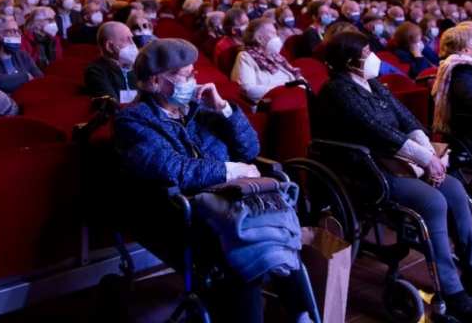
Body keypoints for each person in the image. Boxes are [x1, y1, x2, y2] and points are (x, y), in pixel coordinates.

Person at [318, 31, 472, 322]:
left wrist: (430, 155)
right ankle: (452, 292)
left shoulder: (372, 82)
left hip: (398, 161)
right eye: (365, 51)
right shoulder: (337, 90)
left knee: (455, 190)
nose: (371, 55)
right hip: (364, 169)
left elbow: (407, 119)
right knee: (433, 202)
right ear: (350, 62)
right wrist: (426, 159)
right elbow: (377, 129)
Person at [114, 38, 312, 323]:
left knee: (279, 231)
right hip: (180, 211)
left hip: (229, 202)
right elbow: (173, 169)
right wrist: (234, 171)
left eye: (193, 73)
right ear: (155, 82)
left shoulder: (200, 110)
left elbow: (250, 150)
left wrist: (223, 109)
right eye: (184, 75)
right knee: (242, 251)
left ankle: (301, 313)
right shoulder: (132, 121)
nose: (193, 82)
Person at [230, 18, 301, 102]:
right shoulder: (245, 56)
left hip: (291, 97)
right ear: (259, 38)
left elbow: (296, 77)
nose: (277, 36)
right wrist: (284, 90)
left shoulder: (276, 56)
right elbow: (247, 89)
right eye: (273, 33)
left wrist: (302, 86)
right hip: (271, 103)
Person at [0, 15, 43, 93]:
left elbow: (40, 79)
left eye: (18, 31)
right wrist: (26, 76)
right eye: (13, 31)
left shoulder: (23, 55)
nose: (18, 35)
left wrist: (12, 80)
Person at [84, 22, 137, 102]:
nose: (133, 44)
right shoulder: (95, 71)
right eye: (126, 40)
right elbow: (112, 106)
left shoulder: (138, 67)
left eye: (132, 39)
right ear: (109, 47)